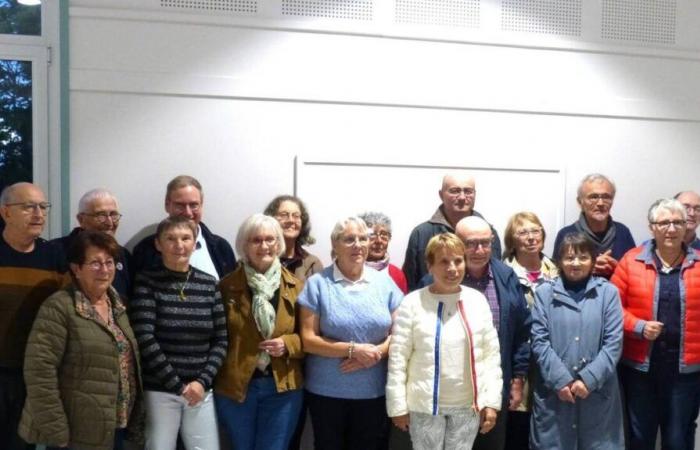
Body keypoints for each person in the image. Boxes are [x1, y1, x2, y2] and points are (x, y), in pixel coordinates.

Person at [19, 230, 142, 450]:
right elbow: (39, 372)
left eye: (109, 262)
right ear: (76, 269)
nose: (104, 270)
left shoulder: (118, 306)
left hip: (114, 424)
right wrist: (56, 428)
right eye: (95, 263)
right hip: (75, 430)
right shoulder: (59, 307)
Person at [386, 233, 502, 450]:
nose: (452, 268)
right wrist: (397, 406)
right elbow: (398, 359)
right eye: (444, 261)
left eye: (458, 260)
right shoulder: (412, 303)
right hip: (424, 406)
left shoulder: (477, 300)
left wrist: (492, 402)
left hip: (468, 405)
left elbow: (491, 356)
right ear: (429, 266)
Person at [298, 217, 403, 450]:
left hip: (374, 392)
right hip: (326, 394)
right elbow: (308, 340)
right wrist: (353, 350)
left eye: (363, 238)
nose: (358, 244)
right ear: (335, 245)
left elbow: (402, 332)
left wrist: (375, 353)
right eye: (349, 239)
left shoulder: (384, 284)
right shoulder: (317, 284)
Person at [129, 216, 227, 450]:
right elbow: (144, 337)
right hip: (161, 390)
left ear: (195, 244)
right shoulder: (147, 282)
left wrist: (202, 382)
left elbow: (221, 339)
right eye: (170, 239)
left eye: (185, 238)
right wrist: (177, 385)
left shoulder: (209, 284)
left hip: (201, 390)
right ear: (158, 244)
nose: (179, 245)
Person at [611, 198, 700, 450]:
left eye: (677, 222)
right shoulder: (631, 260)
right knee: (640, 437)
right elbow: (613, 307)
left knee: (677, 439)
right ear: (652, 227)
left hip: (686, 372)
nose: (671, 229)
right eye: (664, 223)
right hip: (640, 368)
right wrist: (638, 326)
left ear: (686, 227)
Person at [214, 214, 305, 450]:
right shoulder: (225, 287)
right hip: (237, 388)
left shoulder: (297, 287)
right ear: (244, 245)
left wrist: (288, 344)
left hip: (282, 387)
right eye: (256, 240)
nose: (264, 246)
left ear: (279, 244)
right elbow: (214, 338)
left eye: (270, 240)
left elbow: (309, 337)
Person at [530, 232, 624, 449]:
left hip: (597, 393)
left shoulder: (608, 293)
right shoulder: (544, 293)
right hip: (555, 393)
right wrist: (561, 380)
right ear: (559, 261)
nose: (575, 263)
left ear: (593, 260)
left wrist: (589, 379)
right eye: (569, 257)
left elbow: (613, 343)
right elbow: (539, 341)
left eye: (583, 257)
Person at [0, 182, 67, 450]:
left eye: (43, 206)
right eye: (29, 207)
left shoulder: (54, 256)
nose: (39, 214)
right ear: (6, 212)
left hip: (33, 376)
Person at [501, 212, 558, 450]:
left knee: (548, 419)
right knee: (518, 419)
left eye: (535, 231)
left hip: (551, 357)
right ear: (512, 240)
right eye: (523, 232)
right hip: (517, 358)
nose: (531, 237)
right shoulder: (502, 273)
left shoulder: (558, 270)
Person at [403, 174, 502, 291]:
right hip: (433, 304)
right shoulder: (421, 234)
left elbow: (496, 275)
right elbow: (411, 283)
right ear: (441, 195)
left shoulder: (488, 233)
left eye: (468, 191)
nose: (462, 197)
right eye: (454, 191)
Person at [132, 175, 236, 279]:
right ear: (167, 205)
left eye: (194, 205)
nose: (188, 213)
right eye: (180, 205)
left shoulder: (222, 248)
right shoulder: (145, 250)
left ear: (201, 205)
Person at [53, 188, 133, 299]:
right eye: (101, 216)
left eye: (114, 215)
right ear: (81, 219)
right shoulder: (57, 251)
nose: (110, 223)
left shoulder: (124, 255)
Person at [553, 173, 635, 279]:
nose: (600, 203)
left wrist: (618, 268)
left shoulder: (622, 232)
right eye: (593, 197)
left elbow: (635, 274)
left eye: (606, 197)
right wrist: (588, 268)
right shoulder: (566, 234)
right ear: (580, 202)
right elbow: (556, 276)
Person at [264, 194, 323, 281]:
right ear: (271, 219)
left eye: (296, 216)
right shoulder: (260, 258)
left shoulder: (312, 264)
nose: (291, 220)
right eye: (284, 215)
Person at [359, 211, 408, 294]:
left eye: (384, 235)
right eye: (372, 235)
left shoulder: (396, 274)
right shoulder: (352, 271)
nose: (379, 241)